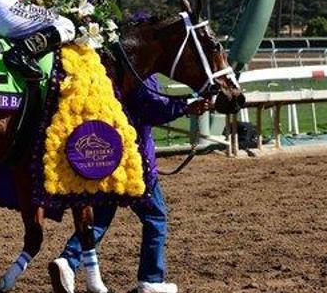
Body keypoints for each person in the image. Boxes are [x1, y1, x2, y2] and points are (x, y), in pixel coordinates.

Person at [48, 76, 210, 293]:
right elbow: (151, 107)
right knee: (155, 216)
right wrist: (188, 106)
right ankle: (151, 279)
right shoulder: (141, 73)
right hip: (135, 165)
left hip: (105, 160)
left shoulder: (105, 70)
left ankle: (68, 261)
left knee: (99, 220)